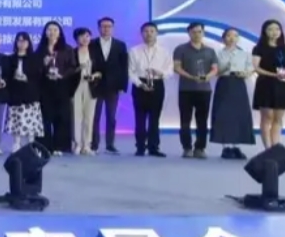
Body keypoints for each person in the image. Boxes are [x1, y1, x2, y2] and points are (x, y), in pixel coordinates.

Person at [173, 22, 219, 159]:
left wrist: (207, 77)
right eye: (193, 32)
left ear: (203, 33)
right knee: (185, 120)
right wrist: (191, 77)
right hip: (186, 89)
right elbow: (177, 67)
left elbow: (215, 68)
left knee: (202, 120)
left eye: (199, 31)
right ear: (189, 33)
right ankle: (187, 147)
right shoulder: (180, 49)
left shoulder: (210, 51)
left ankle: (200, 148)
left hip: (204, 90)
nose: (197, 34)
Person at [210, 27, 255, 159]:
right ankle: (226, 147)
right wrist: (226, 67)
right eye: (228, 36)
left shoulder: (244, 54)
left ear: (238, 38)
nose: (232, 38)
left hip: (239, 84)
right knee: (224, 115)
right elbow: (215, 72)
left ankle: (236, 147)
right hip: (224, 83)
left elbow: (250, 69)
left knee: (239, 115)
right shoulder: (218, 53)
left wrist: (244, 73)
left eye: (235, 36)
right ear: (223, 38)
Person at [251, 19, 285, 149]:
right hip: (265, 84)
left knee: (278, 118)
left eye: (277, 29)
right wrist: (273, 75)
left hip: (282, 84)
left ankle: (275, 146)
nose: (274, 32)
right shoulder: (259, 48)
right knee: (267, 117)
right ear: (264, 31)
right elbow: (256, 68)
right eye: (270, 29)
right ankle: (267, 147)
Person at [88, 17, 129, 154]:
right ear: (99, 28)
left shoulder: (120, 45)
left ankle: (110, 144)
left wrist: (123, 86)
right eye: (103, 26)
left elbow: (124, 66)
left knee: (111, 116)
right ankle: (94, 144)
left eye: (109, 26)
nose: (106, 29)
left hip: (113, 86)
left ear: (113, 28)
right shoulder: (91, 44)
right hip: (95, 85)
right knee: (95, 116)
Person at [128, 21, 167, 157]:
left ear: (156, 33)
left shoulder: (164, 52)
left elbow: (170, 70)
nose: (149, 34)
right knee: (139, 118)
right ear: (141, 34)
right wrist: (140, 84)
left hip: (157, 84)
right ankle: (140, 147)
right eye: (146, 31)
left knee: (155, 118)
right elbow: (130, 71)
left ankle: (153, 147)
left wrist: (160, 73)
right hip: (140, 85)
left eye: (152, 31)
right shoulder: (134, 51)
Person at [37, 21, 76, 153]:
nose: (52, 32)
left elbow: (73, 67)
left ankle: (60, 146)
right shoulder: (41, 49)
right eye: (49, 30)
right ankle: (45, 146)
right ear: (45, 33)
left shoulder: (67, 49)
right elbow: (35, 69)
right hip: (45, 87)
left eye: (55, 30)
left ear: (59, 33)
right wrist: (43, 64)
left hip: (62, 86)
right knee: (45, 117)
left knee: (62, 117)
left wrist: (62, 74)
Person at [3, 32, 44, 151]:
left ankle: (31, 144)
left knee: (31, 121)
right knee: (16, 119)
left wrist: (27, 78)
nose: (21, 43)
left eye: (24, 41)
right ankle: (16, 143)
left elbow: (39, 76)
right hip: (15, 93)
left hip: (31, 93)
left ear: (28, 43)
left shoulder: (35, 58)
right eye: (19, 41)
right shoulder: (10, 58)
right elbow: (6, 75)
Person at [71, 27, 100, 155]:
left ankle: (87, 145)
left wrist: (94, 76)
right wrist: (79, 68)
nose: (85, 38)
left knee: (89, 116)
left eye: (88, 36)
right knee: (76, 116)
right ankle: (77, 144)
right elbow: (68, 71)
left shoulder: (95, 53)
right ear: (76, 38)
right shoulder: (72, 52)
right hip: (76, 86)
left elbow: (101, 71)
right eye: (82, 36)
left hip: (91, 86)